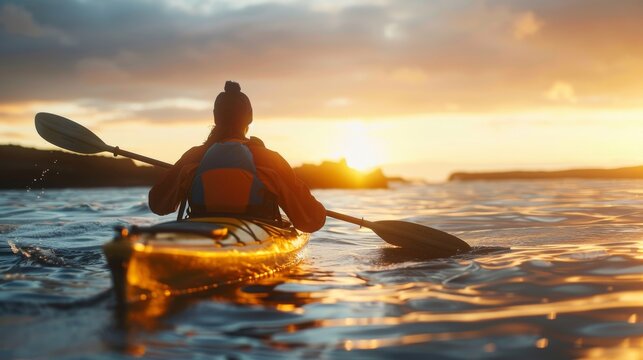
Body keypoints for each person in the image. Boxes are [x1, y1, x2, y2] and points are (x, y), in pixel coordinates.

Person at [148, 81, 326, 233]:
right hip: (255, 237)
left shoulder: (194, 156)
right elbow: (310, 221)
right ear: (249, 119)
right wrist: (319, 211)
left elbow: (158, 204)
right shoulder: (268, 159)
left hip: (202, 232)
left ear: (216, 117)